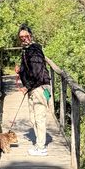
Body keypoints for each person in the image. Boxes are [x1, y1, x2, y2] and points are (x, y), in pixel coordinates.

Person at [15, 24, 51, 156]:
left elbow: (37, 72)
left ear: (31, 36)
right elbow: (30, 70)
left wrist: (27, 86)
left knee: (39, 117)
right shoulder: (27, 49)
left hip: (39, 88)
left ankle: (41, 148)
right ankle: (38, 145)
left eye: (26, 36)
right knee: (33, 118)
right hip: (34, 88)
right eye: (21, 37)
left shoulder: (34, 50)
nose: (24, 39)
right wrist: (21, 71)